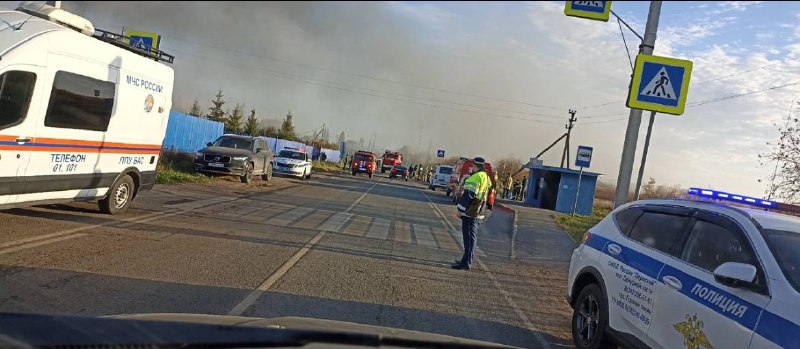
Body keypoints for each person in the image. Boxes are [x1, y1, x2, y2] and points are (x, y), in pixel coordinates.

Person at [452, 157, 492, 271]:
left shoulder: (475, 177)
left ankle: (467, 263)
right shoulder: (485, 177)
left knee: (468, 238)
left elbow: (468, 194)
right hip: (479, 211)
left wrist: (460, 209)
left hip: (471, 212)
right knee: (471, 237)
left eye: (472, 166)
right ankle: (466, 260)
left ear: (476, 166)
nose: (471, 168)